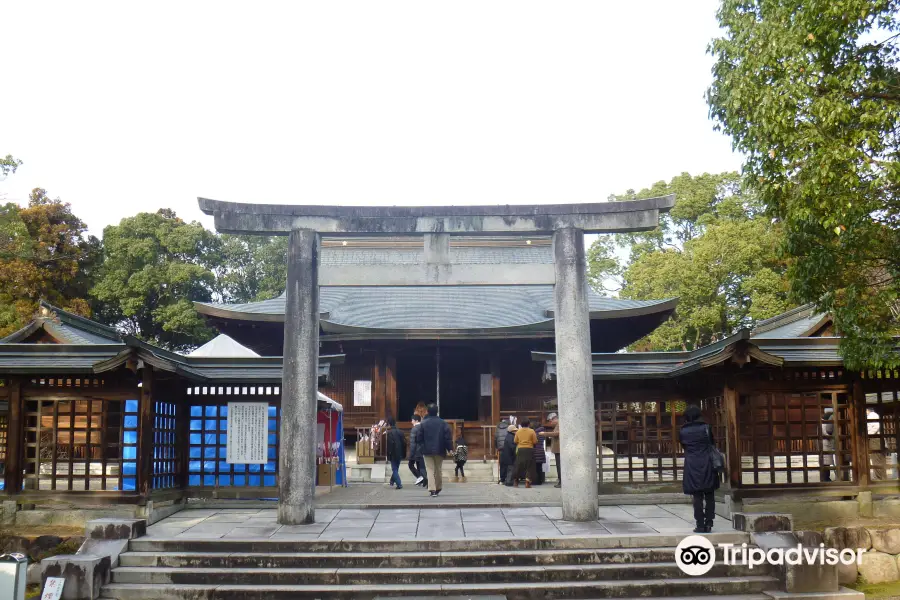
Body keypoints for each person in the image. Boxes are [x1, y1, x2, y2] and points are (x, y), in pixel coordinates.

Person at [679, 404, 719, 533]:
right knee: (709, 494)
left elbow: (684, 446)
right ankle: (709, 522)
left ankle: (700, 524)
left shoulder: (683, 431)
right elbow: (712, 443)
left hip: (692, 463)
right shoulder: (706, 428)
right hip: (707, 462)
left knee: (697, 496)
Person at [413, 403, 453, 497]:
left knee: (429, 469)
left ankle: (432, 489)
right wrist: (450, 448)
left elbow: (419, 437)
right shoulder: (443, 423)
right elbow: (447, 437)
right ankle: (438, 487)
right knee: (438, 469)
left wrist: (421, 446)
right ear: (437, 411)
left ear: (428, 411)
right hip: (440, 449)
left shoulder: (423, 423)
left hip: (427, 450)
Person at [513, 418, 538, 488]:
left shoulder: (518, 431)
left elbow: (515, 441)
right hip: (529, 449)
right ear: (529, 424)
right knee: (530, 466)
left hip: (520, 449)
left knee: (518, 465)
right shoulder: (531, 431)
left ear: (521, 424)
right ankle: (527, 481)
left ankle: (516, 481)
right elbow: (535, 441)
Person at [385, 417, 406, 490]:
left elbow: (390, 445)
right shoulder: (401, 432)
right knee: (396, 468)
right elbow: (404, 443)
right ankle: (392, 480)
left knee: (394, 469)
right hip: (400, 452)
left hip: (393, 453)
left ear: (389, 424)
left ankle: (399, 484)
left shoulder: (389, 433)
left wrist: (388, 454)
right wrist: (404, 453)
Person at [408, 414, 427, 488]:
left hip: (416, 451)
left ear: (416, 420)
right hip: (423, 450)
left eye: (412, 420)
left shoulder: (414, 429)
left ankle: (420, 477)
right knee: (420, 466)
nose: (411, 421)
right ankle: (423, 481)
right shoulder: (423, 428)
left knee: (410, 465)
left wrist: (411, 454)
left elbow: (413, 443)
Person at [543, 413, 561, 488]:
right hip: (557, 449)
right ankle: (560, 480)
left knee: (559, 466)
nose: (550, 423)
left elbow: (556, 434)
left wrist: (545, 433)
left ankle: (561, 481)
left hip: (559, 450)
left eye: (550, 421)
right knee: (558, 465)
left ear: (554, 419)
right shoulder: (558, 425)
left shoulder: (559, 424)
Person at [868, 408, 886, 481]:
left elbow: (876, 426)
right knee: (878, 459)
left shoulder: (872, 415)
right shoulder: (873, 415)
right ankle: (882, 477)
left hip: (875, 438)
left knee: (876, 459)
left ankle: (878, 477)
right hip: (876, 438)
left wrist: (868, 434)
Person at [495, 417, 510, 483]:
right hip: (507, 448)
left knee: (502, 464)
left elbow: (495, 439)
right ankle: (507, 478)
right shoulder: (508, 428)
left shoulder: (497, 429)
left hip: (500, 448)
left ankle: (502, 478)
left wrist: (496, 447)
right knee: (508, 463)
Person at [821, 407, 834, 482]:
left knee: (826, 462)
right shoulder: (823, 424)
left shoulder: (822, 423)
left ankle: (826, 477)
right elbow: (826, 433)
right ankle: (826, 478)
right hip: (825, 444)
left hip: (825, 444)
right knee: (826, 462)